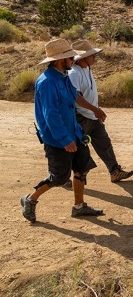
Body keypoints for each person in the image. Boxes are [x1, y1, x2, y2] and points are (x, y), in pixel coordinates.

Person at [20, 38, 104, 223]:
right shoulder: (47, 82)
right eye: (70, 57)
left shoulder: (63, 76)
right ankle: (30, 199)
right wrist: (65, 139)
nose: (74, 59)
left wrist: (95, 110)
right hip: (58, 139)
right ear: (60, 60)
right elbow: (51, 115)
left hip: (74, 133)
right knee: (59, 178)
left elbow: (75, 97)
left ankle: (79, 207)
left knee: (81, 169)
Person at [67, 39, 133, 183]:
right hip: (80, 117)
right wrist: (95, 109)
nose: (94, 57)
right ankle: (63, 176)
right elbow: (76, 97)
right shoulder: (74, 73)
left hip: (91, 115)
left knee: (104, 143)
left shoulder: (86, 69)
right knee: (74, 147)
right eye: (92, 55)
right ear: (83, 58)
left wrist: (96, 110)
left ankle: (114, 172)